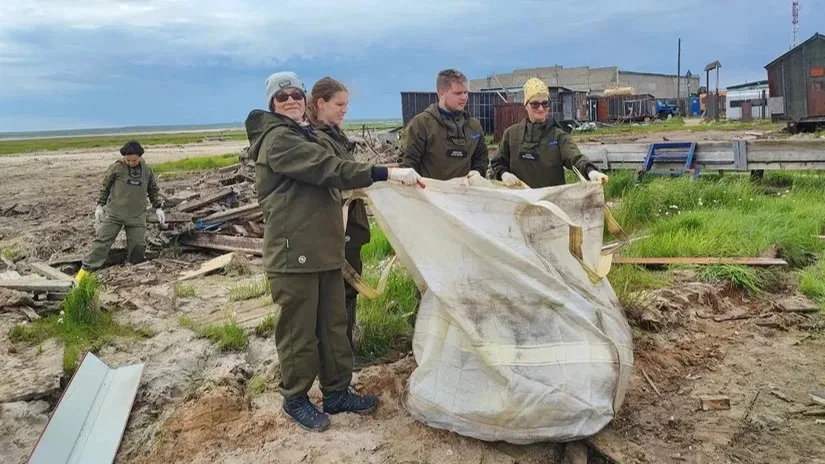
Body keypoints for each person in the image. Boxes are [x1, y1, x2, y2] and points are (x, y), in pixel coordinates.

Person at [244, 71, 423, 432]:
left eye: (296, 94)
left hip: (324, 248)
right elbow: (328, 168)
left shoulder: (303, 133)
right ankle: (295, 399)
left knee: (332, 323)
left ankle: (337, 392)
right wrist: (385, 172)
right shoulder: (278, 140)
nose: (291, 100)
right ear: (272, 104)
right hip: (294, 253)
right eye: (283, 97)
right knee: (298, 330)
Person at [306, 77, 366, 355]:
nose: (345, 110)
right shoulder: (316, 140)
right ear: (321, 103)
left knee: (350, 289)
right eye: (339, 104)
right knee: (336, 296)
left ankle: (345, 352)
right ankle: (338, 358)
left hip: (349, 227)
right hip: (335, 229)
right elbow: (336, 176)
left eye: (346, 104)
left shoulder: (335, 136)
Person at [490, 78, 609, 188]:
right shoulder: (512, 135)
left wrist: (591, 171)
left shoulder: (558, 136)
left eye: (545, 103)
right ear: (526, 105)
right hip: (519, 203)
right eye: (535, 104)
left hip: (551, 203)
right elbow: (497, 163)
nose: (541, 109)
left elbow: (575, 158)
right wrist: (503, 174)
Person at [74, 140, 166, 283]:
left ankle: (136, 274)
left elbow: (153, 190)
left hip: (137, 215)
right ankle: (82, 276)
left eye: (134, 160)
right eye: (127, 160)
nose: (131, 162)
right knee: (101, 242)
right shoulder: (116, 168)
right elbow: (105, 187)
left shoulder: (147, 171)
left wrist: (158, 207)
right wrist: (100, 205)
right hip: (114, 213)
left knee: (138, 246)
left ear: (140, 157)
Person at [401, 68, 489, 181]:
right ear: (441, 94)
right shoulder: (421, 125)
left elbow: (481, 158)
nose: (464, 97)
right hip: (431, 194)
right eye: (458, 93)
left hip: (465, 194)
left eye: (466, 92)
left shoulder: (474, 126)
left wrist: (478, 171)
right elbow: (407, 164)